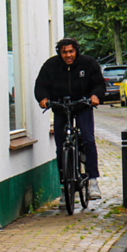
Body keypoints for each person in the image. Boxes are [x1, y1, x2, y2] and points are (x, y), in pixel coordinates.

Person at [35, 38, 106, 200]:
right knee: (61, 146)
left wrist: (95, 96)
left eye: (71, 51)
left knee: (88, 139)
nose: (68, 55)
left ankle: (93, 181)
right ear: (60, 53)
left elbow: (99, 84)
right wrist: (43, 98)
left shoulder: (88, 64)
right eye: (64, 52)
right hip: (61, 107)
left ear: (76, 51)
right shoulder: (50, 66)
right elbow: (40, 85)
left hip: (82, 105)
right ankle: (64, 187)